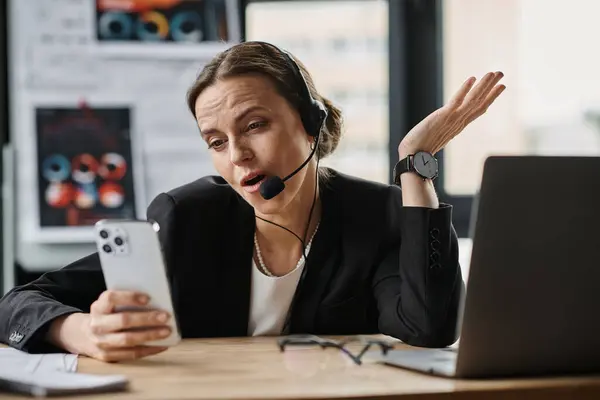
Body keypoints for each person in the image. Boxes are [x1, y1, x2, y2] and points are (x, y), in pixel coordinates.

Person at [0, 41, 505, 362]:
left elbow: (429, 326)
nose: (238, 155)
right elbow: (15, 304)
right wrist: (80, 330)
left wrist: (415, 163)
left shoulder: (374, 215)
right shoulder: (188, 217)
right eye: (216, 141)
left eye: (255, 126)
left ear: (313, 124)